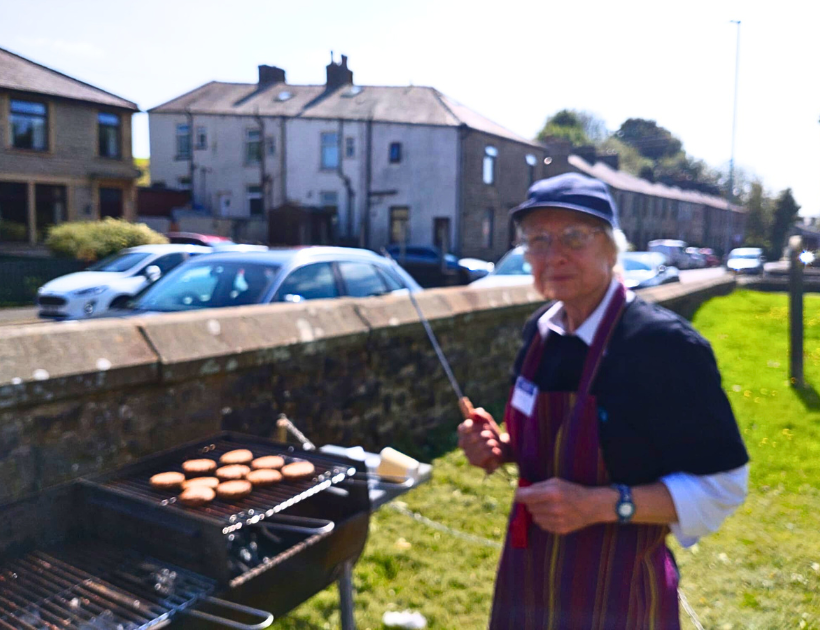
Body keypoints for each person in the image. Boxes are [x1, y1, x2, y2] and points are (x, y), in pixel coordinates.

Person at [458, 173, 749, 629]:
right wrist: (502, 446)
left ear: (612, 249)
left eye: (574, 237)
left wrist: (602, 505)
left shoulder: (662, 347)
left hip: (616, 594)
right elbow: (541, 436)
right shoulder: (540, 334)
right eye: (538, 240)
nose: (553, 255)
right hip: (527, 580)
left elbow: (724, 486)